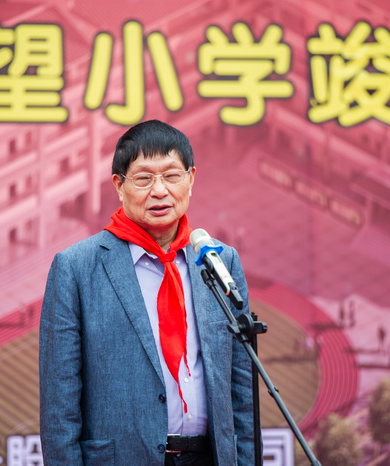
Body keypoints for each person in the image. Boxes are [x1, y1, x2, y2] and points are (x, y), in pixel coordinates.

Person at [39, 120, 255, 465]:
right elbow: (59, 403)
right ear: (119, 186)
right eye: (143, 179)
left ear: (191, 179)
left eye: (171, 176)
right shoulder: (76, 268)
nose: (159, 191)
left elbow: (242, 390)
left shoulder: (218, 261)